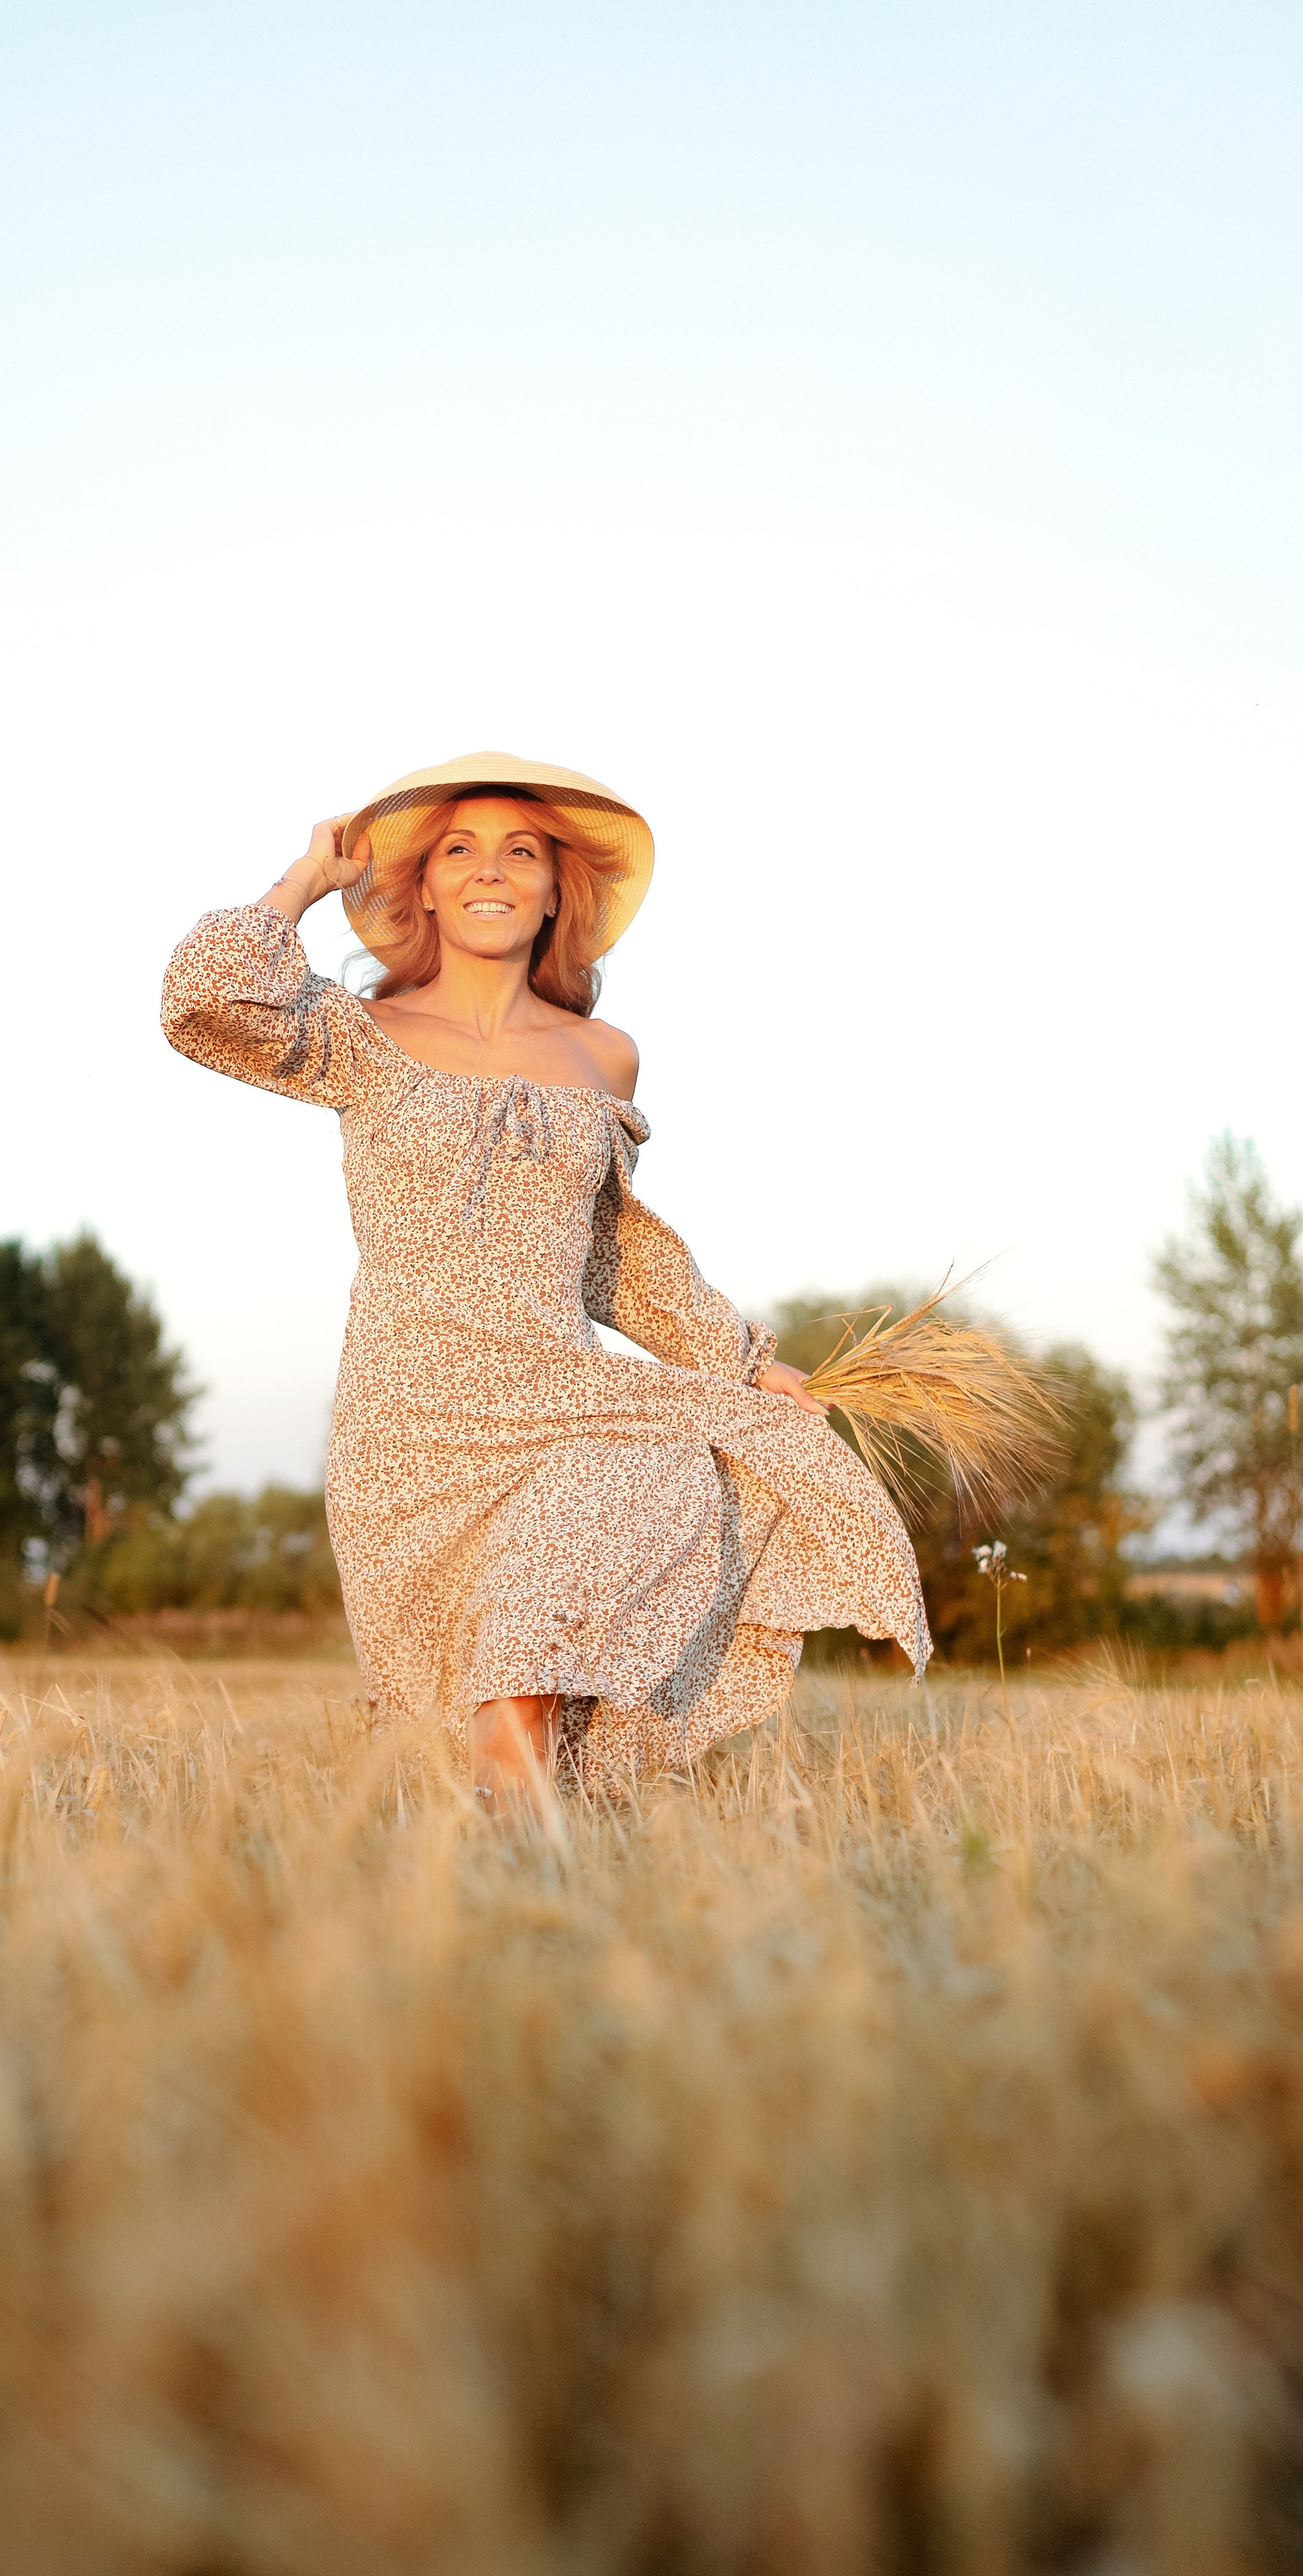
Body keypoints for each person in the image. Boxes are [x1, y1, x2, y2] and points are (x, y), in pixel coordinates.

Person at [162, 752, 929, 1810]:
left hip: (569, 1405)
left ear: (557, 887)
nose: (491, 871)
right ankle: (514, 1903)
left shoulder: (601, 1055)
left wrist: (743, 1365)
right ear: (421, 886)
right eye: (460, 851)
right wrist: (304, 881)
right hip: (415, 1421)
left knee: (529, 1664)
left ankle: (519, 1884)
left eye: (520, 851)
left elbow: (617, 1251)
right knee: (504, 1714)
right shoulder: (357, 1034)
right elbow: (198, 999)